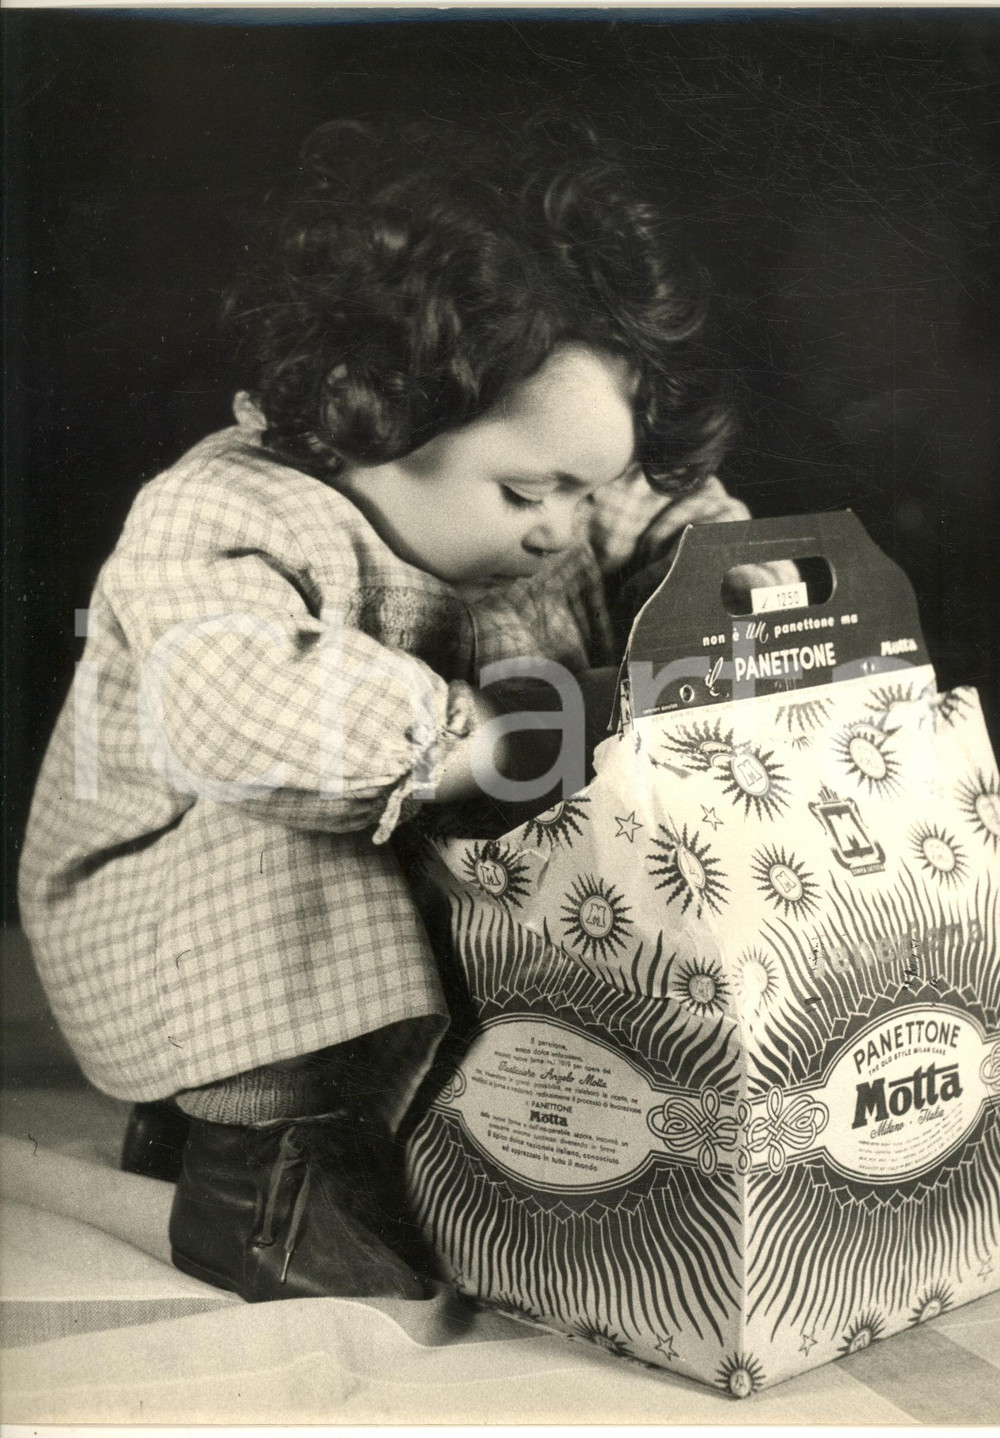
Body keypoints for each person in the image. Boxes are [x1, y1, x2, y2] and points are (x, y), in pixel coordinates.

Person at [18, 117, 759, 1303]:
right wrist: (482, 737)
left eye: (586, 487)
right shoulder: (224, 516)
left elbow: (656, 514)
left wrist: (730, 582)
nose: (560, 527)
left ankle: (409, 1128)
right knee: (291, 839)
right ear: (372, 405)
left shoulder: (549, 512)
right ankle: (262, 1166)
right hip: (185, 894)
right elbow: (241, 712)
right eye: (528, 489)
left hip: (406, 878)